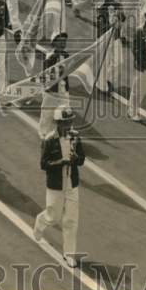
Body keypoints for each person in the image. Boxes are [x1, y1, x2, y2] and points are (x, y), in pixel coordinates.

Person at [33, 105, 86, 267]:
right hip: (55, 184)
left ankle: (69, 254)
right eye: (65, 122)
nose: (68, 125)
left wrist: (76, 157)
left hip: (72, 184)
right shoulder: (49, 140)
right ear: (57, 123)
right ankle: (40, 223)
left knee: (71, 220)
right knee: (53, 217)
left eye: (70, 121)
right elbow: (44, 164)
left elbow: (82, 160)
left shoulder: (75, 138)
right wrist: (61, 162)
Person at [38, 32, 73, 138]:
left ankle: (67, 131)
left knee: (66, 110)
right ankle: (44, 133)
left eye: (65, 42)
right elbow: (47, 74)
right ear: (55, 43)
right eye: (61, 42)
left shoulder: (66, 55)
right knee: (47, 113)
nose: (63, 44)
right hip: (51, 89)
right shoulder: (50, 57)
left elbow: (69, 70)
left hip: (63, 88)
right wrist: (57, 65)